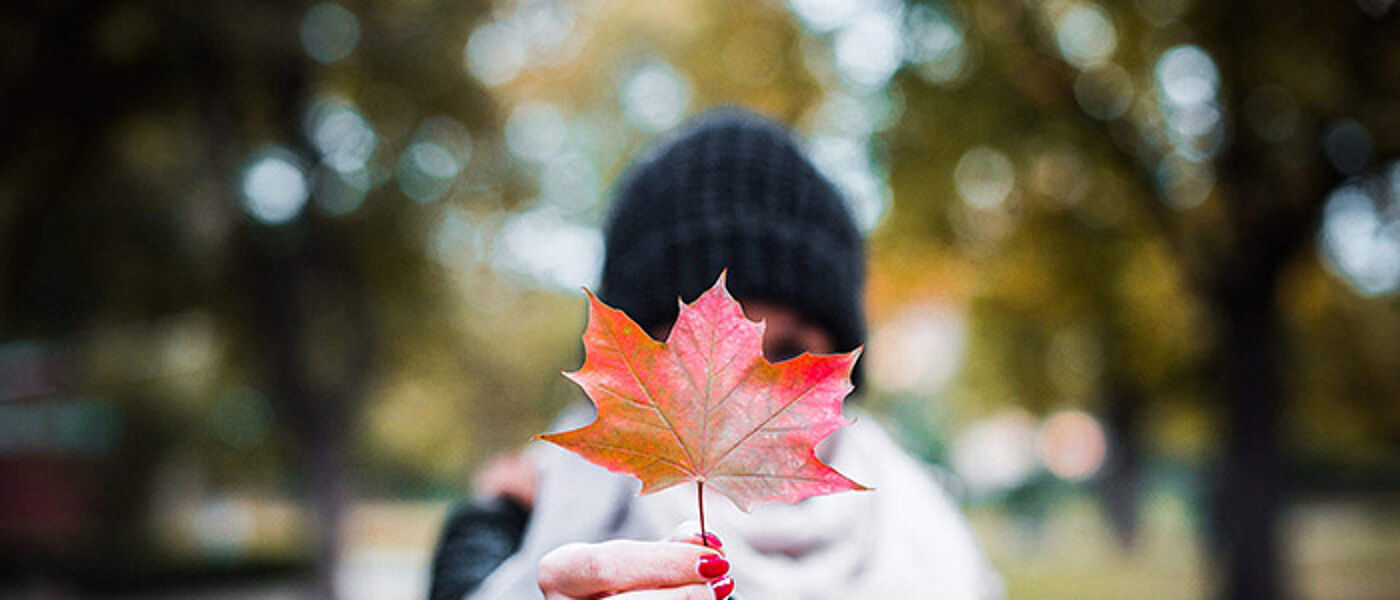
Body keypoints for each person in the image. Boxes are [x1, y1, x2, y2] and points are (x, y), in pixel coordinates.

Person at [430, 108, 1000, 600]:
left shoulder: (935, 539)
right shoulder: (502, 532)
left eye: (787, 355)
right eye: (698, 361)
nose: (741, 405)